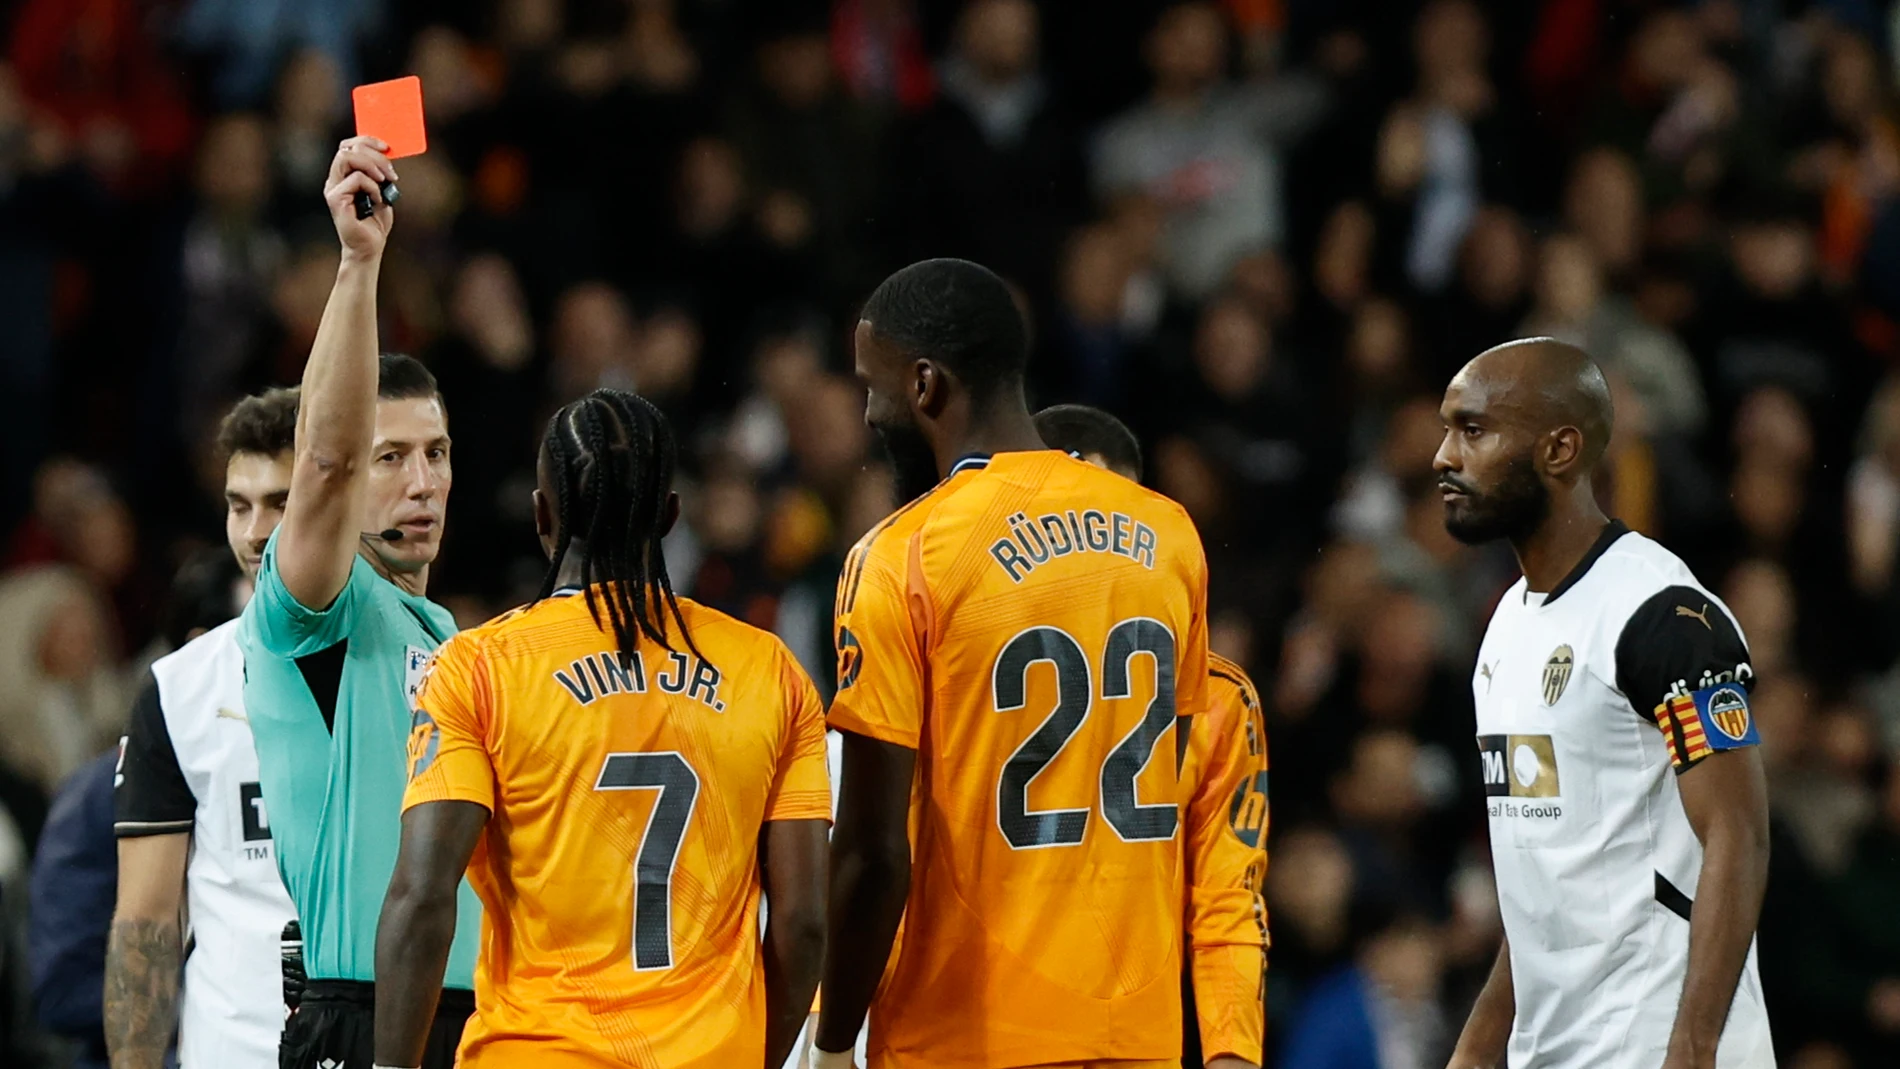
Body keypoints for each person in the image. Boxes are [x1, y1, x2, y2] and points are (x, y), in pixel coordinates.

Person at [813, 259, 1264, 1069]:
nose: (869, 414)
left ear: (924, 385)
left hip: (966, 1034)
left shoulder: (901, 555)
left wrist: (832, 1034)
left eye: (872, 387)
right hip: (1137, 1037)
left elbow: (877, 853)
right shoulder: (1169, 535)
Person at [372, 389, 831, 1069]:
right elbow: (803, 922)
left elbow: (423, 895)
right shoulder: (769, 669)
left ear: (541, 514)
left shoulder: (478, 668)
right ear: (672, 515)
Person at [1432, 338, 1774, 1069]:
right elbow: (1547, 883)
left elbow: (1739, 835)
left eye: (1474, 429)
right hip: (1553, 1048)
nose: (1443, 456)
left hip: (1653, 1039)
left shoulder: (1661, 615)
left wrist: (1692, 1048)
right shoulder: (1506, 626)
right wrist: (1476, 1047)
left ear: (1559, 450)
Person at [236, 137, 481, 1069]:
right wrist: (359, 261)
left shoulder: (453, 638)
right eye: (393, 457)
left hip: (482, 1021)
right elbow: (325, 461)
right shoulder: (315, 607)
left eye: (438, 453)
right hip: (361, 1015)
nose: (422, 483)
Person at [1034, 402, 1272, 1069]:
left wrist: (1232, 1052)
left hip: (1126, 1043)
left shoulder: (1219, 699)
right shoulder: (954, 668)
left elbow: (1228, 900)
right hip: (971, 1031)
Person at [107, 388, 302, 1069]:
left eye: (280, 501)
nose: (254, 532)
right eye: (238, 505)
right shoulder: (179, 688)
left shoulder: (429, 667)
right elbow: (146, 923)